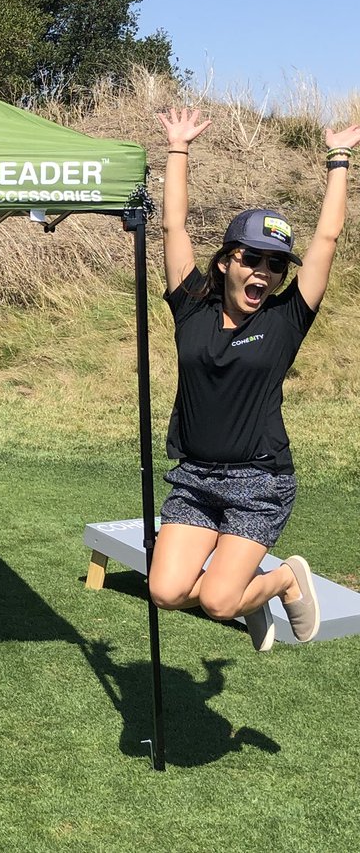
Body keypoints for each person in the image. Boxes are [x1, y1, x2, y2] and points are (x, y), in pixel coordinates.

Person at [148, 108, 359, 651]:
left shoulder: (286, 319)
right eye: (252, 259)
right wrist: (178, 148)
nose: (263, 273)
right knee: (165, 591)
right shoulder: (190, 306)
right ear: (226, 261)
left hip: (257, 483)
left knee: (219, 603)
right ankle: (258, 592)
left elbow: (328, 238)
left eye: (275, 265)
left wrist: (339, 158)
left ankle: (283, 579)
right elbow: (173, 226)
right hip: (195, 477)